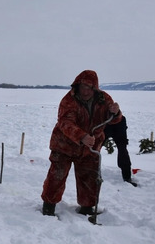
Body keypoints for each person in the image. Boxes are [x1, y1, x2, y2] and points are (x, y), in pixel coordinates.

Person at [41, 70, 122, 216]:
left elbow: (114, 120)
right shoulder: (68, 100)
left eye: (90, 87)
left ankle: (87, 209)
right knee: (56, 177)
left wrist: (116, 113)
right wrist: (82, 136)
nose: (86, 91)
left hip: (90, 148)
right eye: (83, 86)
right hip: (64, 145)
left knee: (89, 179)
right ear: (77, 85)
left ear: (95, 88)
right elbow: (65, 122)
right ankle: (48, 207)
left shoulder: (104, 99)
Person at [103, 115, 137, 186]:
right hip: (101, 122)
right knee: (94, 148)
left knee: (122, 148)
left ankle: (127, 177)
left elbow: (114, 108)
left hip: (117, 121)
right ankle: (88, 175)